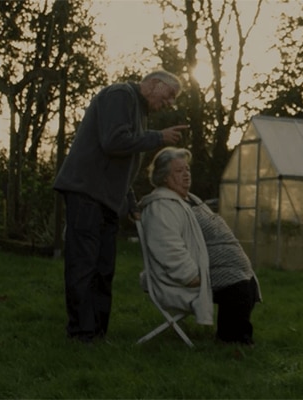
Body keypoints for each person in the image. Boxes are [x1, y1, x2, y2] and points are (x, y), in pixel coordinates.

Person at [53, 70, 188, 343]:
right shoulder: (120, 95)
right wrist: (158, 138)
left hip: (106, 198)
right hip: (86, 191)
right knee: (84, 266)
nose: (170, 103)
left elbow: (121, 167)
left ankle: (98, 333)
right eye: (170, 95)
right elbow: (113, 141)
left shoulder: (139, 112)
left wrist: (130, 204)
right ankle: (81, 333)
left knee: (104, 269)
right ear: (153, 83)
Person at [140, 147, 261, 345]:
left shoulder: (189, 199)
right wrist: (191, 277)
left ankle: (233, 337)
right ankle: (231, 341)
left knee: (246, 283)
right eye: (179, 171)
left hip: (206, 269)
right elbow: (167, 247)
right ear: (163, 177)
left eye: (187, 169)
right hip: (182, 278)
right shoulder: (161, 206)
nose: (186, 175)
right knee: (236, 285)